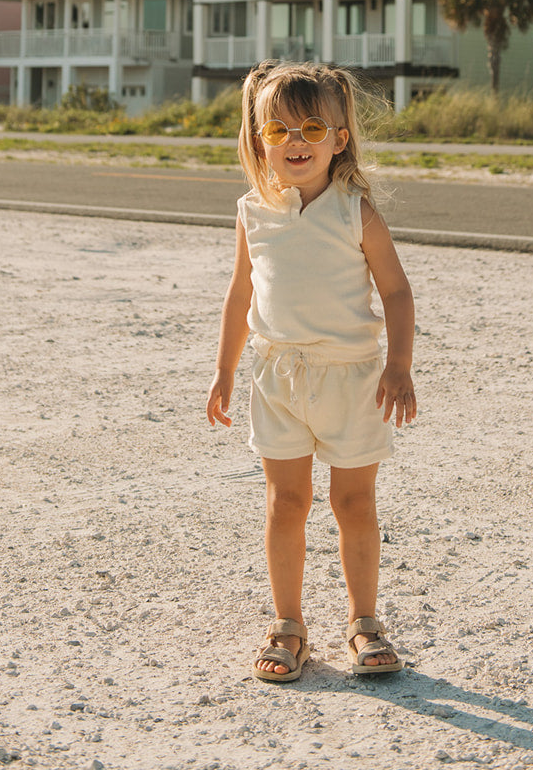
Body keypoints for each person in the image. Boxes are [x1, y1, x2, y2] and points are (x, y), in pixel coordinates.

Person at [206, 59, 417, 683]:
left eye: (310, 129)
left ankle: (364, 623)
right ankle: (289, 625)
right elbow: (241, 295)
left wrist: (399, 367)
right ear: (258, 139)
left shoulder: (357, 211)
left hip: (352, 378)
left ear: (339, 138)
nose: (295, 143)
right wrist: (224, 370)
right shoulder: (253, 211)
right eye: (278, 131)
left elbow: (397, 292)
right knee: (286, 502)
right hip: (278, 379)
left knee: (353, 502)